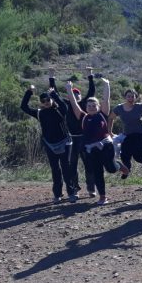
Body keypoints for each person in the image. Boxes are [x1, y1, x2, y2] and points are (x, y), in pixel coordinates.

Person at [66, 78, 128, 205]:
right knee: (97, 172)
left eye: (94, 105)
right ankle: (103, 197)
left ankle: (119, 166)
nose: (92, 107)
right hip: (91, 149)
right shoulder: (83, 117)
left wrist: (107, 85)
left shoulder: (103, 114)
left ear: (98, 107)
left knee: (110, 169)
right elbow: (73, 104)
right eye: (89, 106)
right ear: (86, 107)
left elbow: (106, 100)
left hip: (106, 146)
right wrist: (69, 90)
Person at [21, 84, 76, 203]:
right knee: (55, 169)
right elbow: (24, 107)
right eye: (43, 100)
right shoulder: (40, 113)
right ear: (41, 102)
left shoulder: (59, 110)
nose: (46, 102)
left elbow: (64, 106)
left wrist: (54, 95)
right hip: (50, 144)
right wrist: (29, 92)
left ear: (51, 100)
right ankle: (57, 194)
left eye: (48, 99)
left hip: (65, 142)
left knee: (66, 168)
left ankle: (71, 193)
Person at [49, 67, 96, 197]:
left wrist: (90, 75)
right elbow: (55, 93)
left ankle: (91, 188)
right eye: (73, 94)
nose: (75, 96)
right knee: (72, 166)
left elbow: (92, 91)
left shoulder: (85, 103)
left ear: (80, 96)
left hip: (84, 139)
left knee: (89, 164)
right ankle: (75, 189)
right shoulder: (66, 104)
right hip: (71, 139)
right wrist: (51, 76)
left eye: (77, 94)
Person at [108, 81, 142, 179]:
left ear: (135, 98)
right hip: (128, 135)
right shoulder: (119, 108)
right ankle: (127, 170)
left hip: (141, 135)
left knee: (138, 156)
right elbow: (110, 118)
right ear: (125, 97)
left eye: (133, 96)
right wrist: (109, 131)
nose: (131, 98)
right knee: (124, 154)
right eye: (129, 96)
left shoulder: (139, 107)